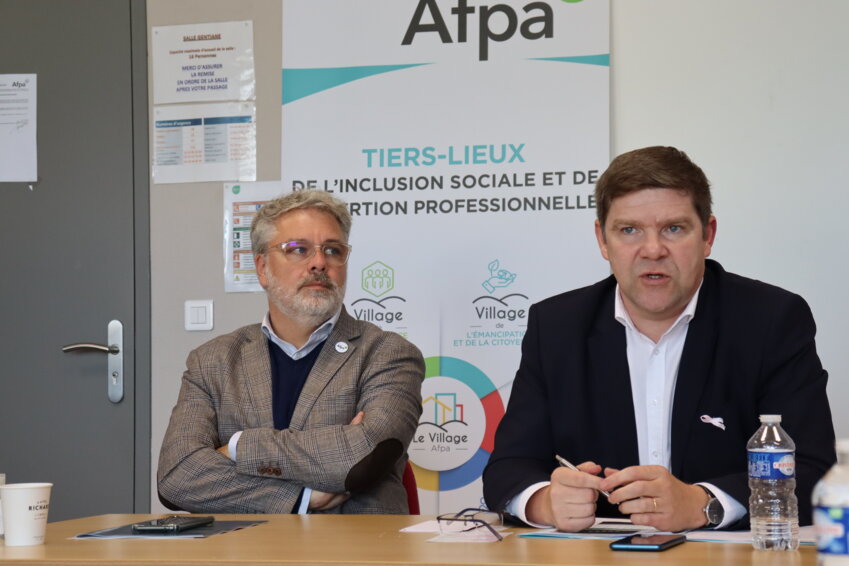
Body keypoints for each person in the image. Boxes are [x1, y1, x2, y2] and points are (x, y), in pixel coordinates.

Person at [482, 146, 835, 531]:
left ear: (708, 235)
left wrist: (704, 504)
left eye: (674, 229)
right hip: (600, 555)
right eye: (629, 230)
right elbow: (508, 468)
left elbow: (812, 470)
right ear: (603, 240)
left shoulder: (771, 320)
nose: (652, 250)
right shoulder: (557, 326)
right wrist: (545, 502)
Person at [158, 190, 424, 514]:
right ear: (262, 268)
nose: (319, 262)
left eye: (333, 250)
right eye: (298, 249)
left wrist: (239, 447)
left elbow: (362, 458)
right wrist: (301, 498)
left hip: (355, 544)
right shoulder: (212, 362)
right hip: (245, 544)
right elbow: (178, 477)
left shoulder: (388, 354)